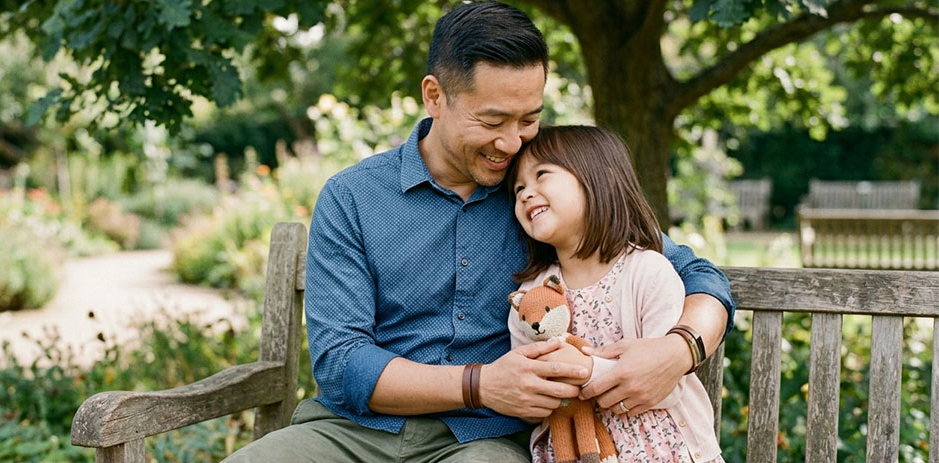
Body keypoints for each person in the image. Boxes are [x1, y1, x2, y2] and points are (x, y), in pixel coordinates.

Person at [227, 2, 734, 462]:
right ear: (435, 96)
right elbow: (341, 363)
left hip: (482, 442)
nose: (512, 143)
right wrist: (480, 384)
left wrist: (678, 349)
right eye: (493, 120)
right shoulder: (353, 197)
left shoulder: (546, 201)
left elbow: (695, 273)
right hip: (354, 433)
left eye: (529, 119)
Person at [507, 125, 724, 463]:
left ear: (596, 179)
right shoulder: (530, 294)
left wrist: (582, 370)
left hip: (662, 450)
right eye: (519, 187)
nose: (524, 193)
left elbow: (665, 383)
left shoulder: (647, 271)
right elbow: (527, 395)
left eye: (541, 175)